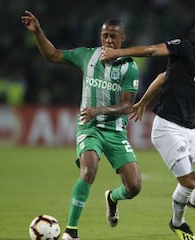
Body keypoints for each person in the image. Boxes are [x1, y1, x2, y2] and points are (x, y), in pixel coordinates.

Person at [101, 17, 195, 240]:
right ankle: (177, 223)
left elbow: (164, 77)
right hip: (168, 129)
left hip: (191, 128)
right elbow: (153, 51)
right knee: (189, 182)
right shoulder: (184, 47)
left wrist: (144, 102)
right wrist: (119, 52)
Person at [21, 11, 142, 240]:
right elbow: (52, 55)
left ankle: (112, 198)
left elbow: (128, 106)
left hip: (116, 131)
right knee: (88, 170)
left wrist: (99, 110)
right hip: (89, 127)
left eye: (113, 36)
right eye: (105, 35)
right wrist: (38, 32)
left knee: (134, 187)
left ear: (122, 39)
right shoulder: (87, 56)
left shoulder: (129, 67)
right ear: (100, 36)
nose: (108, 40)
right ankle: (71, 232)